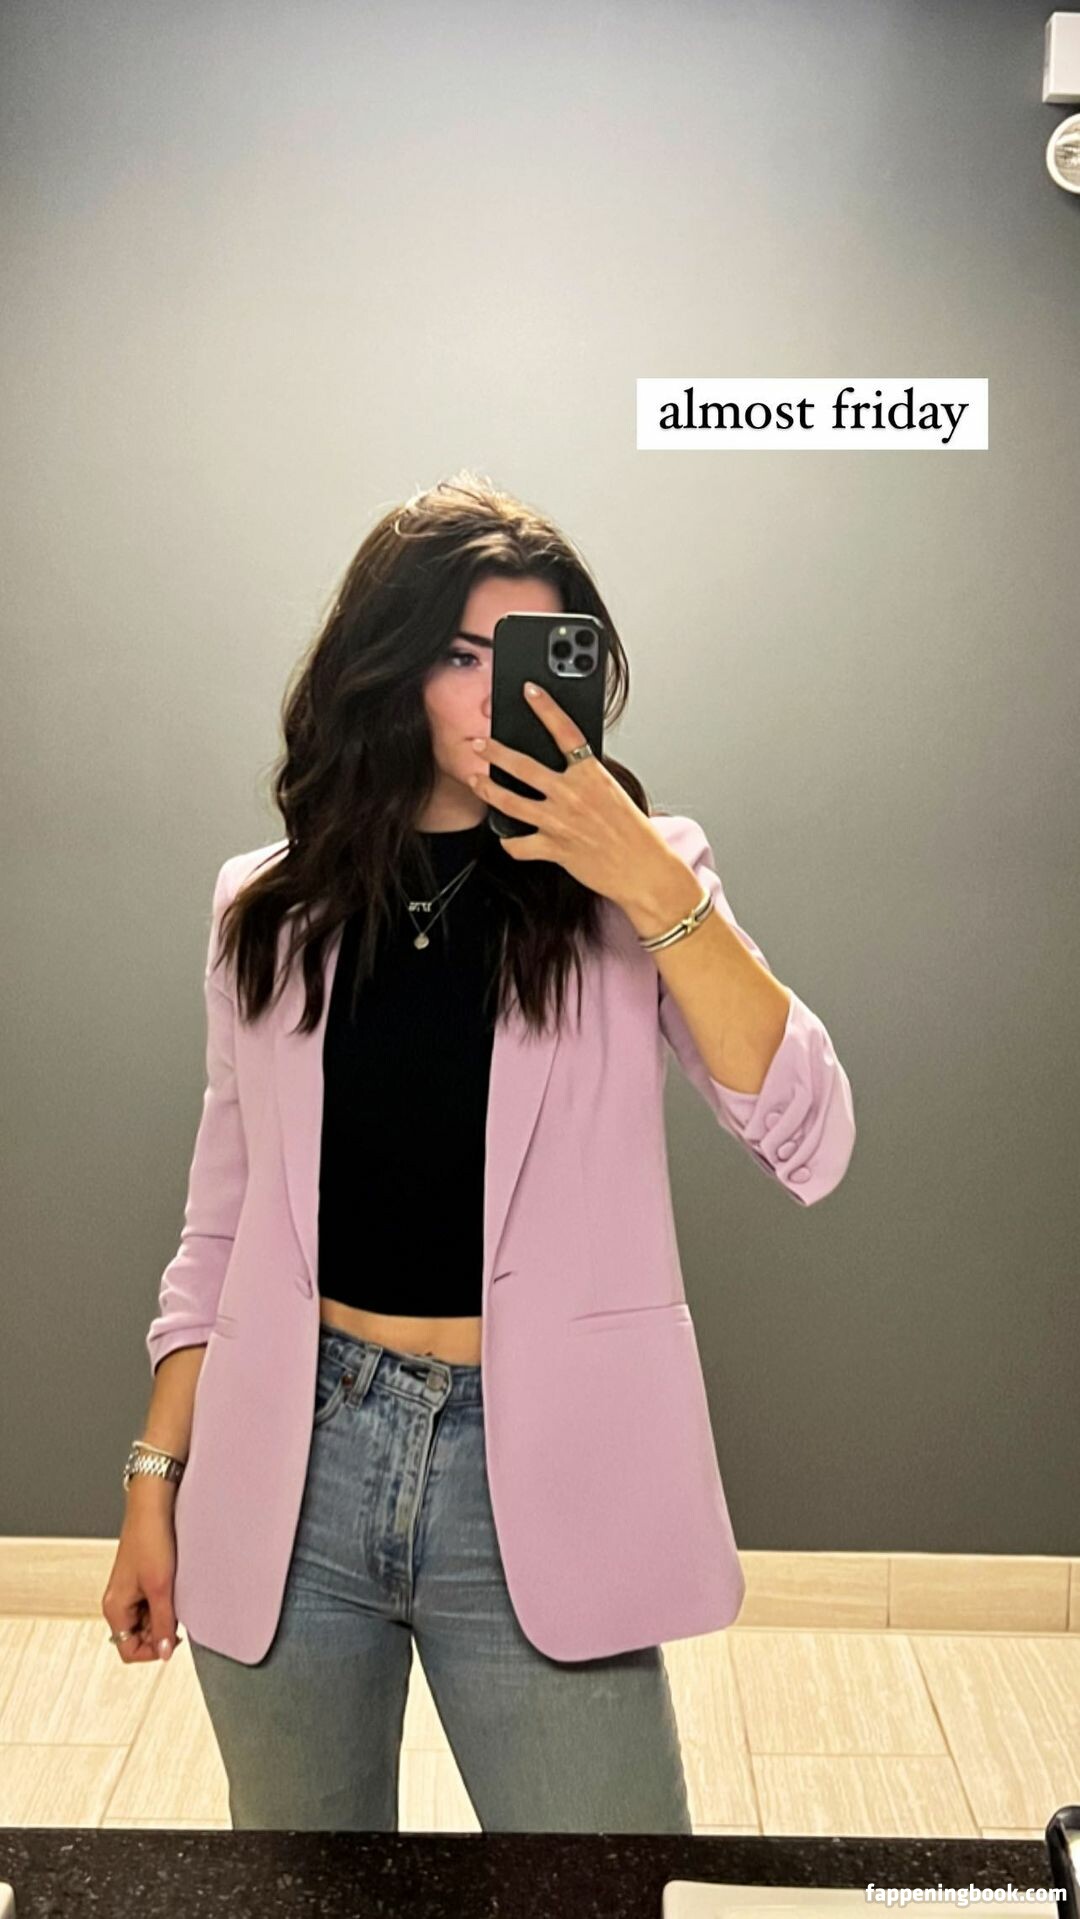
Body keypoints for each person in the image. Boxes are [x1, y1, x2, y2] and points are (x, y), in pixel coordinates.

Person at [101, 470, 856, 1832]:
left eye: (524, 656)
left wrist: (653, 883)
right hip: (293, 1462)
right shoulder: (266, 906)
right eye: (459, 654)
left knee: (610, 1892)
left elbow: (809, 1135)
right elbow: (220, 1223)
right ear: (385, 668)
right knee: (307, 1900)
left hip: (538, 1465)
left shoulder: (638, 889)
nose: (495, 694)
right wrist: (155, 1477)